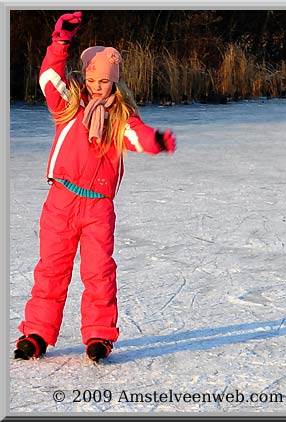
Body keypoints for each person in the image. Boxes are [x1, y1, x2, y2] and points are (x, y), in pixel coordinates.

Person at [14, 11, 176, 362]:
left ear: (114, 82)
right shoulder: (68, 107)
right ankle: (37, 333)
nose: (95, 86)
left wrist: (157, 140)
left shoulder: (120, 118)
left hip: (97, 207)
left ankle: (99, 336)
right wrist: (60, 44)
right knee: (51, 269)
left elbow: (137, 135)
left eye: (103, 81)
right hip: (61, 199)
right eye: (91, 79)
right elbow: (47, 77)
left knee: (98, 272)